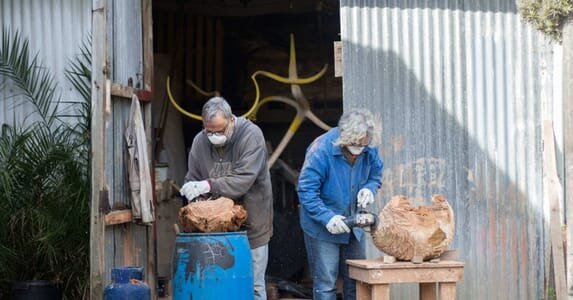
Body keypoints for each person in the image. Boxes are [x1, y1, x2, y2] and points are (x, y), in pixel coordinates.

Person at [180, 97, 273, 300]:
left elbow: (244, 179)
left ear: (231, 120)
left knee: (254, 285)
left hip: (253, 222)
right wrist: (194, 196)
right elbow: (193, 178)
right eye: (209, 131)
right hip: (215, 229)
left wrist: (209, 185)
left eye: (219, 131)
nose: (214, 136)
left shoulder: (251, 135)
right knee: (218, 284)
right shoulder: (199, 141)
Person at [297, 108, 383, 300]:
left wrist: (370, 187)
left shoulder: (368, 146)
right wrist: (328, 217)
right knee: (327, 284)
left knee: (357, 280)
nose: (359, 149)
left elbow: (376, 174)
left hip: (354, 226)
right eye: (355, 145)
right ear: (345, 137)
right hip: (322, 226)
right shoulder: (321, 149)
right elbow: (306, 191)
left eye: (364, 145)